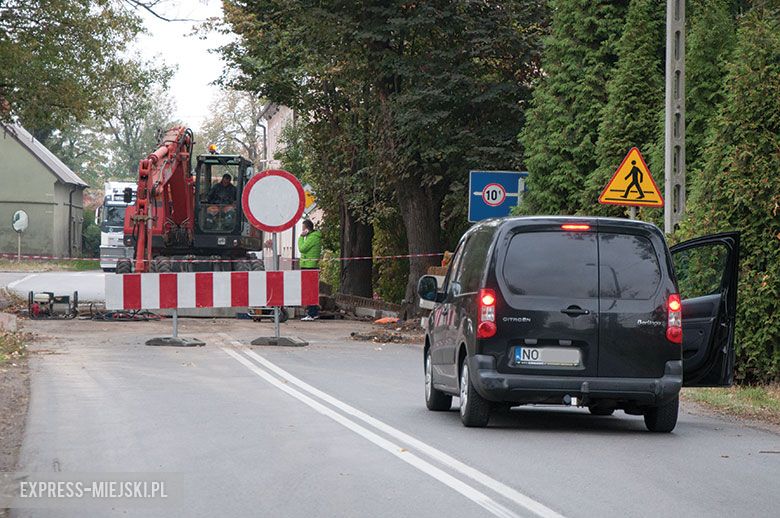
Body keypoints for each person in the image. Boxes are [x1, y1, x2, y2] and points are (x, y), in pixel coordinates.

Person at [298, 219, 322, 321]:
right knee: (310, 290)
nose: (302, 231)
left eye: (303, 228)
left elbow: (302, 249)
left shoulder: (312, 238)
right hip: (309, 265)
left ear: (307, 229)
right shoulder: (313, 237)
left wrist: (301, 237)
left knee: (310, 290)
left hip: (309, 266)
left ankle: (312, 313)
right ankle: (313, 312)